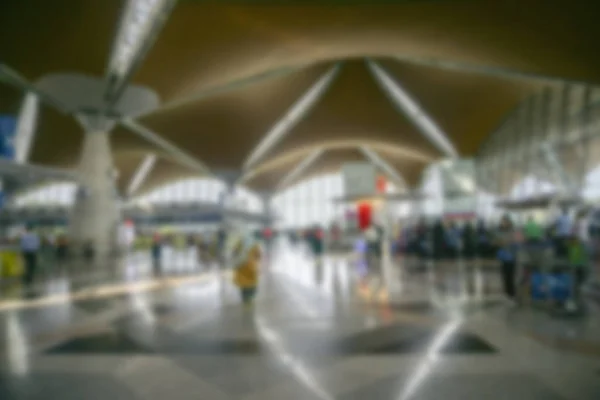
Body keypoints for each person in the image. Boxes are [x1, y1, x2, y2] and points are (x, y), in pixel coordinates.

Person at [232, 232, 262, 306]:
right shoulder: (255, 245)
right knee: (252, 283)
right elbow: (259, 255)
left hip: (241, 265)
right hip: (251, 266)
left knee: (244, 284)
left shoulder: (239, 244)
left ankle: (245, 297)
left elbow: (234, 253)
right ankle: (250, 296)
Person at [495, 215, 518, 303]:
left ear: (508, 222)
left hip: (511, 257)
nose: (502, 223)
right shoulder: (499, 231)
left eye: (504, 222)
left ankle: (512, 295)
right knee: (504, 276)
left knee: (510, 277)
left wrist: (507, 242)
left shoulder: (513, 231)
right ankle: (507, 294)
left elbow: (516, 242)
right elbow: (497, 242)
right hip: (503, 257)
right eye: (502, 222)